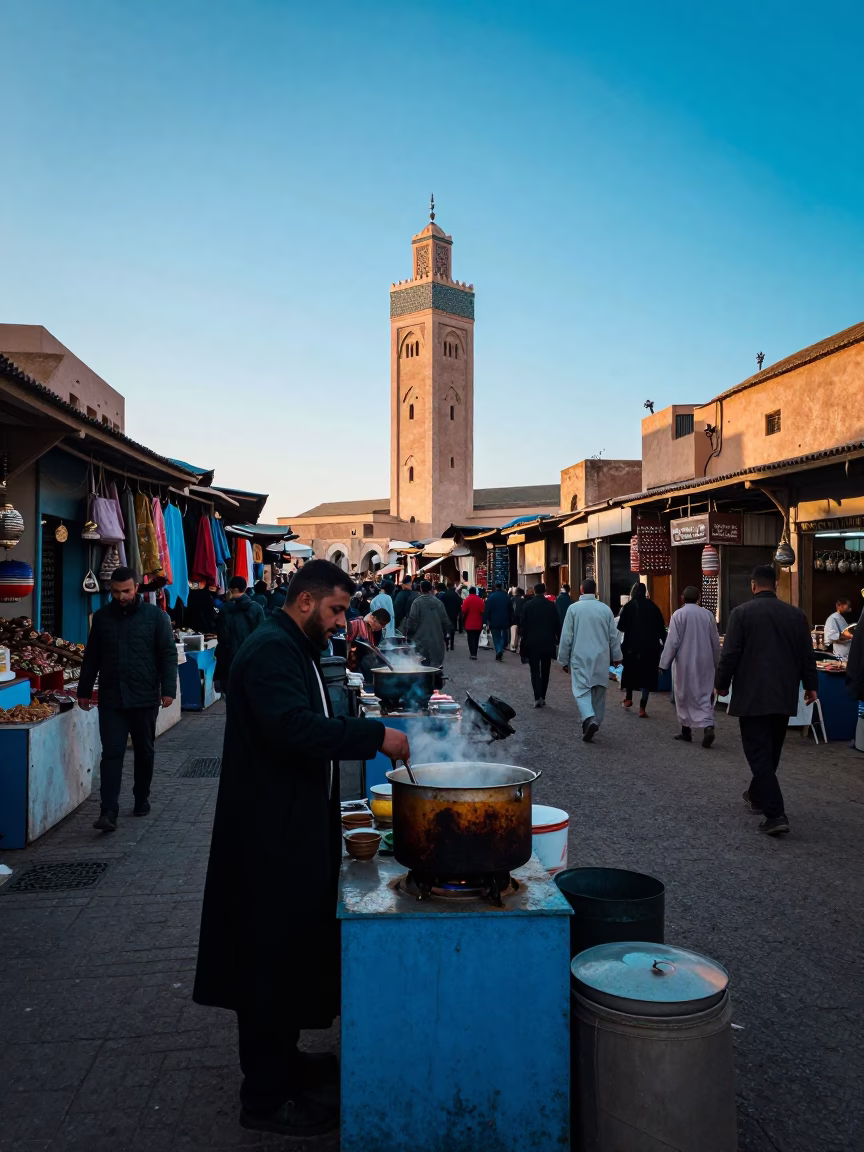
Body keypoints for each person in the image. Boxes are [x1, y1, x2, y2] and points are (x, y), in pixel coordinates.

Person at [193, 560, 409, 1138]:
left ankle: (285, 1062)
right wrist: (374, 737)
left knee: (283, 956)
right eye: (337, 611)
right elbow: (292, 728)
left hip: (287, 824)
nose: (343, 623)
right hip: (266, 834)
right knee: (265, 961)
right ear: (307, 601)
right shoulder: (269, 651)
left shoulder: (293, 645)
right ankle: (264, 1097)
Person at [715, 564, 817, 837]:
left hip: (752, 695)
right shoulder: (796, 615)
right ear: (775, 585)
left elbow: (730, 654)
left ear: (752, 585)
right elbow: (807, 654)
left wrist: (721, 685)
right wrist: (811, 686)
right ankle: (758, 796)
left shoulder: (741, 614)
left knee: (758, 752)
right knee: (771, 751)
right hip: (783, 693)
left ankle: (775, 814)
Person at [77, 566, 177, 831]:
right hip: (111, 698)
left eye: (127, 591)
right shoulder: (101, 618)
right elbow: (92, 656)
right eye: (117, 591)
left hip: (144, 696)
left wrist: (169, 690)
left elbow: (167, 654)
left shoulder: (155, 617)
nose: (122, 596)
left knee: (144, 750)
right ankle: (108, 810)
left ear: (136, 589)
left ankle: (141, 796)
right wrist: (84, 690)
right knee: (111, 753)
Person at [557, 578, 623, 742]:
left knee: (581, 690)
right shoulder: (605, 609)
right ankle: (596, 720)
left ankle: (589, 717)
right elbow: (613, 637)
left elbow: (566, 637)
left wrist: (563, 659)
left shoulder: (573, 609)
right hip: (601, 657)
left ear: (581, 589)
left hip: (580, 656)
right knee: (599, 690)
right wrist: (617, 657)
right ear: (595, 591)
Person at [659, 586, 721, 746]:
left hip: (684, 663)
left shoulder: (678, 615)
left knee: (683, 695)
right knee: (704, 694)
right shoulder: (707, 615)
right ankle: (708, 726)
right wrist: (717, 663)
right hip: (705, 661)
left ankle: (686, 730)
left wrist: (663, 663)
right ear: (699, 598)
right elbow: (715, 642)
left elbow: (672, 642)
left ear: (682, 598)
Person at [616, 582, 667, 718]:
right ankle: (642, 708)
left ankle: (628, 699)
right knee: (647, 676)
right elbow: (662, 630)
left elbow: (621, 627)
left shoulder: (628, 607)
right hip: (650, 648)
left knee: (630, 672)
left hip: (631, 647)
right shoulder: (654, 607)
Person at [215, 577, 265, 698]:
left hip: (229, 659)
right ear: (245, 588)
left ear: (231, 589)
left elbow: (222, 636)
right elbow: (263, 635)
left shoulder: (225, 609)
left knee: (232, 696)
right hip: (251, 659)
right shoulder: (256, 608)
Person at [520, 582, 560, 707]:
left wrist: (523, 637)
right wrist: (557, 638)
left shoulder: (528, 605)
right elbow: (556, 624)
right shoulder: (551, 606)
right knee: (546, 669)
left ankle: (537, 696)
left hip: (532, 643)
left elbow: (523, 625)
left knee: (534, 670)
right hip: (547, 642)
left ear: (534, 591)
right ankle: (543, 695)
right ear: (545, 592)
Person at [404, 580, 450, 667]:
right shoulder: (438, 603)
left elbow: (412, 620)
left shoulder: (417, 602)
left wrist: (409, 636)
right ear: (431, 589)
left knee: (422, 664)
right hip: (437, 638)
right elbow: (445, 621)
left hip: (421, 639)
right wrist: (446, 637)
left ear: (421, 589)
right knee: (435, 665)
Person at [346, 607, 391, 682]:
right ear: (374, 619)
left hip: (363, 666)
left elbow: (373, 648)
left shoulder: (373, 631)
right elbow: (347, 643)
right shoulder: (355, 623)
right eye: (382, 624)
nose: (383, 627)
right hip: (354, 665)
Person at [484, 582, 513, 661]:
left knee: (496, 637)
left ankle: (499, 650)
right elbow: (511, 610)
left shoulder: (491, 596)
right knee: (503, 636)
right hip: (505, 620)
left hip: (494, 620)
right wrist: (511, 620)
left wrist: (485, 621)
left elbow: (487, 609)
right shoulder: (506, 597)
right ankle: (500, 649)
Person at [438, 580, 463, 651]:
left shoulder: (445, 595)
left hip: (445, 613)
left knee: (445, 629)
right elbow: (460, 603)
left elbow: (441, 604)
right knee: (452, 629)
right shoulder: (456, 595)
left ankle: (446, 643)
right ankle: (452, 644)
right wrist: (458, 612)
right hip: (453, 614)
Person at [461, 586, 485, 659]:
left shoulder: (467, 600)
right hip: (478, 622)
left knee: (470, 638)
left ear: (469, 592)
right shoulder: (480, 600)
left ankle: (472, 653)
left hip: (469, 622)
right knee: (476, 639)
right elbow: (482, 611)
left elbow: (463, 610)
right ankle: (475, 653)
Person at [511, 586, 526, 651]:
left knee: (514, 633)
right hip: (520, 618)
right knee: (519, 633)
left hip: (513, 619)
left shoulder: (511, 599)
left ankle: (513, 646)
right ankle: (518, 648)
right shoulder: (523, 600)